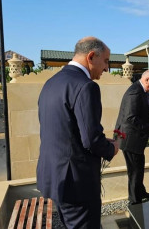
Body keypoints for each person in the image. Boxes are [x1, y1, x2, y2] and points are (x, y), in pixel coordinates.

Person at [37, 37, 120, 228]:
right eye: (106, 61)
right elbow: (91, 141)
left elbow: (65, 131)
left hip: (54, 176)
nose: (107, 68)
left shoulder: (51, 83)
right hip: (76, 183)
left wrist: (99, 140)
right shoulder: (86, 86)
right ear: (91, 56)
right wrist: (111, 148)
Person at [115, 69, 149, 205]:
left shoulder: (144, 91)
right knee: (135, 171)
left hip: (135, 138)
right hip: (129, 138)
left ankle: (140, 192)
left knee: (138, 168)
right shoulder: (134, 92)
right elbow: (130, 119)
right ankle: (135, 202)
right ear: (146, 80)